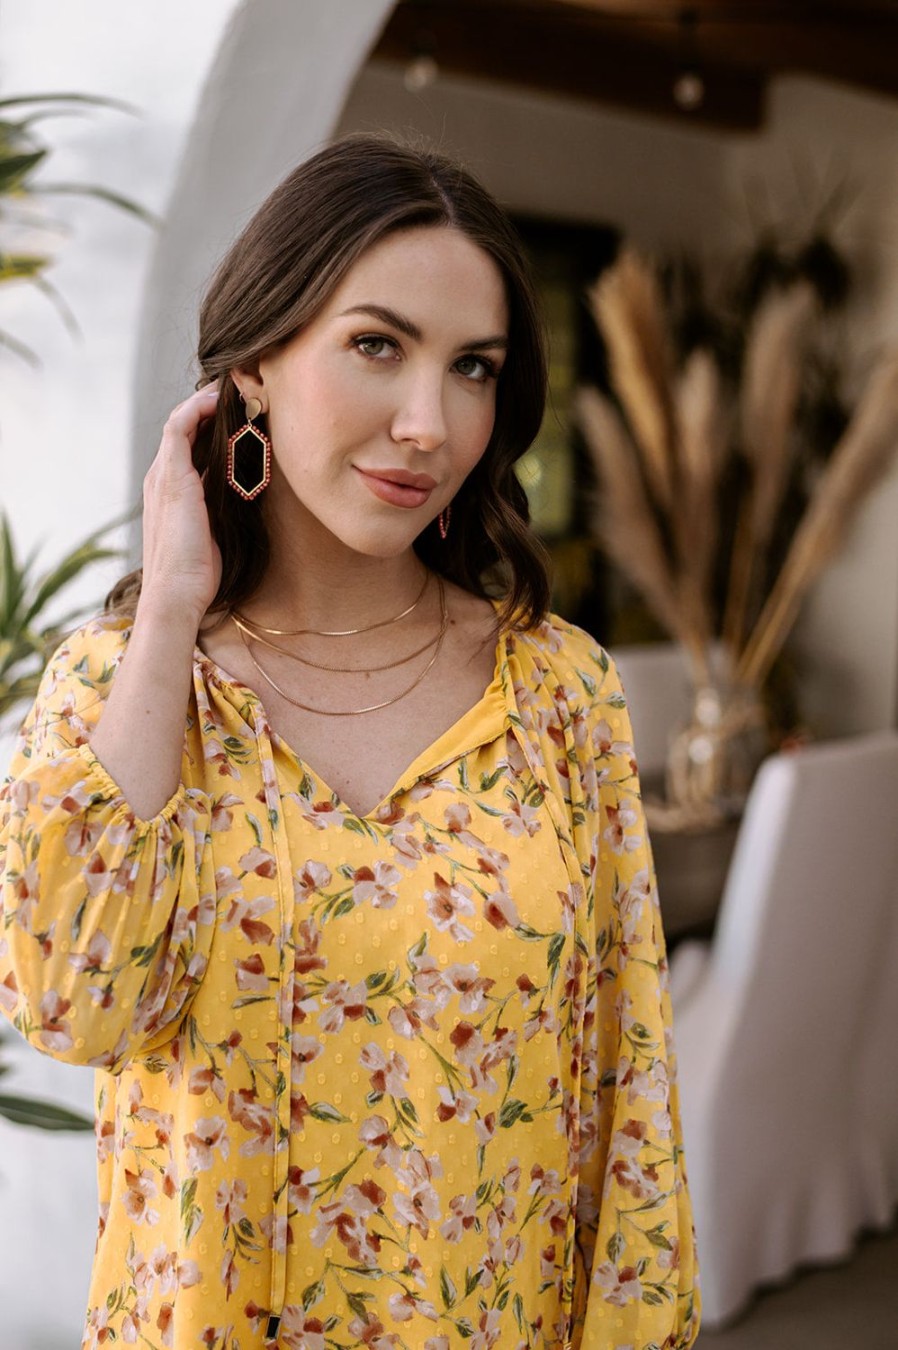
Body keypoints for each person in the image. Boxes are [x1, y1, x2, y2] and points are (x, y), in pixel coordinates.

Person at [0, 135, 699, 1350]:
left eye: (472, 367)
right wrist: (171, 609)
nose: (427, 424)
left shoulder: (558, 693)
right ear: (257, 365)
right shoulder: (120, 687)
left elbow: (627, 1100)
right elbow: (72, 1006)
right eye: (376, 345)